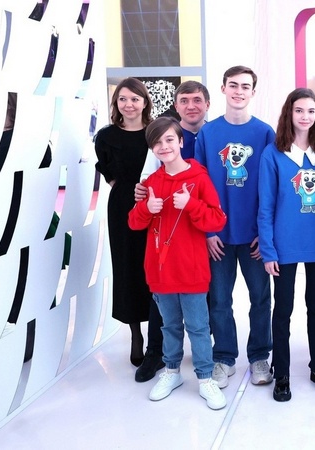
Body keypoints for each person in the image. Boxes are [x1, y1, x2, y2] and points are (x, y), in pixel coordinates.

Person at [128, 117, 228, 410]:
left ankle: (205, 377)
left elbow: (217, 219)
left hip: (192, 269)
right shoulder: (151, 183)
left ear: (181, 141)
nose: (164, 146)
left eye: (170, 139)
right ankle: (172, 371)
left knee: (198, 327)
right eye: (157, 142)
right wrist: (147, 208)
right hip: (161, 270)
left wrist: (191, 205)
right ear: (152, 148)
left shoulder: (199, 178)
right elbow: (133, 223)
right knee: (169, 326)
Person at [194, 66, 276, 389]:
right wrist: (208, 231)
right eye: (233, 85)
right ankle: (224, 357)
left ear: (253, 92)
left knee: (260, 299)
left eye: (245, 86)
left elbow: (272, 187)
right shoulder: (208, 133)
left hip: (254, 236)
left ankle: (259, 357)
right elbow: (199, 186)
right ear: (223, 89)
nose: (239, 91)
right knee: (218, 300)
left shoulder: (265, 133)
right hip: (218, 236)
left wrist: (264, 234)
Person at [258, 88, 315, 402]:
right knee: (283, 309)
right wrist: (268, 250)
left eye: (311, 111)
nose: (305, 116)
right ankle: (282, 372)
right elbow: (265, 206)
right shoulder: (272, 153)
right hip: (284, 245)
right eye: (299, 110)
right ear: (289, 113)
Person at [94, 77, 165, 383]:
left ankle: (159, 337)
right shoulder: (106, 136)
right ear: (116, 103)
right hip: (123, 207)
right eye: (123, 99)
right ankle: (136, 333)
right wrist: (126, 190)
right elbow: (107, 170)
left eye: (135, 99)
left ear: (145, 102)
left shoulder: (155, 132)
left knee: (156, 268)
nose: (129, 104)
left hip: (156, 205)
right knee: (128, 269)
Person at [173, 81, 210, 159]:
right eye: (184, 101)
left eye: (197, 100)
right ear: (176, 107)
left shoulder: (217, 135)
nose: (191, 107)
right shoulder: (165, 138)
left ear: (207, 105)